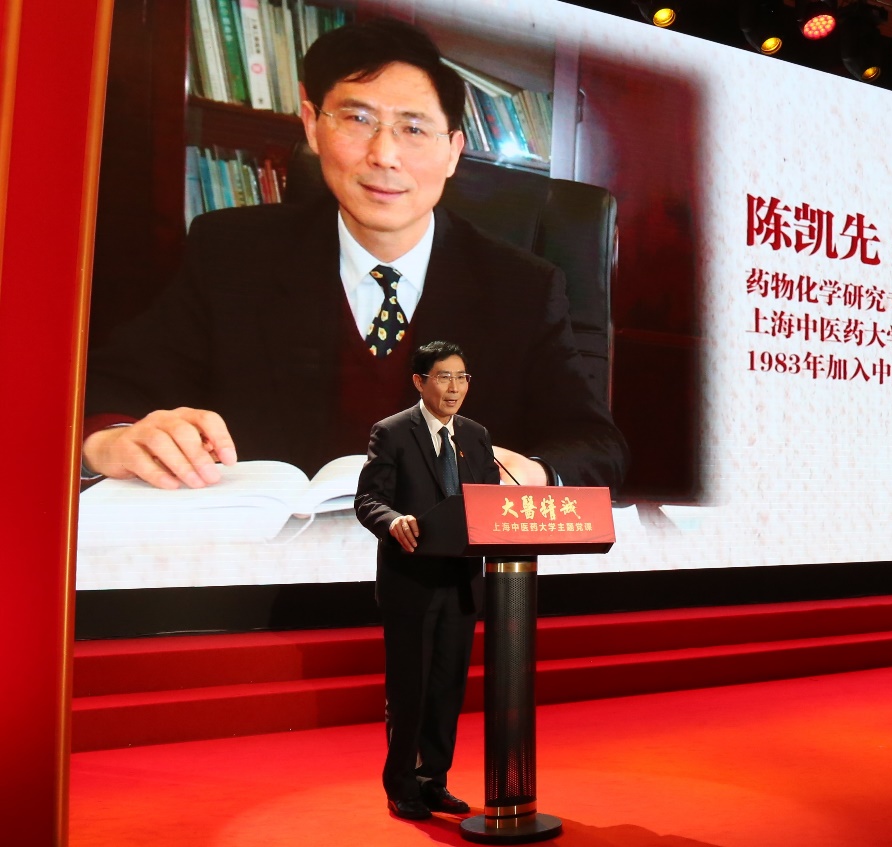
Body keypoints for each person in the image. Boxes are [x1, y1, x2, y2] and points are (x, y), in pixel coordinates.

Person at [81, 17, 626, 491]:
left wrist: (534, 473)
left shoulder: (521, 287)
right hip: (271, 561)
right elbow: (108, 387)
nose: (384, 155)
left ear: (453, 152)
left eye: (414, 128)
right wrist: (113, 439)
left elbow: (594, 444)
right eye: (358, 119)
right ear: (312, 126)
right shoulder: (232, 254)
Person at [355, 340, 497, 820]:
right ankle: (401, 786)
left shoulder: (475, 435)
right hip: (411, 582)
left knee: (446, 690)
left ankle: (434, 780)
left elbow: (490, 500)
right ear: (419, 381)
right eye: (443, 377)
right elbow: (368, 500)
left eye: (462, 377)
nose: (454, 388)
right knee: (410, 691)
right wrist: (392, 520)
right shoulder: (393, 432)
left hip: (461, 582)